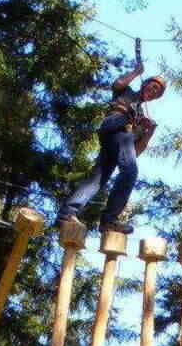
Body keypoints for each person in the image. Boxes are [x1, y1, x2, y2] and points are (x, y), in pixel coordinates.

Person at [57, 58, 165, 233]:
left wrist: (149, 133)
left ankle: (66, 214)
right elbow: (117, 84)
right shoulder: (128, 93)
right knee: (130, 172)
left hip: (119, 140)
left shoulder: (142, 119)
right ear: (144, 84)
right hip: (116, 125)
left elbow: (134, 152)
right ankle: (109, 220)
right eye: (152, 86)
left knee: (97, 179)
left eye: (157, 92)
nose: (153, 91)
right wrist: (136, 72)